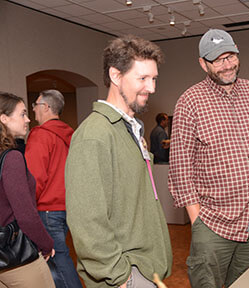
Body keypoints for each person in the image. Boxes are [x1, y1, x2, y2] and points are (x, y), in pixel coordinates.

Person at [168, 29, 249, 288]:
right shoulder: (190, 101)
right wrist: (197, 221)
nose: (227, 65)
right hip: (212, 223)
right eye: (218, 60)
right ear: (203, 63)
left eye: (231, 56)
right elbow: (180, 167)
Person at [65, 35, 172, 288]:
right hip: (124, 276)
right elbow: (87, 220)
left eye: (154, 78)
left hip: (145, 268)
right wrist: (120, 275)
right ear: (115, 76)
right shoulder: (94, 135)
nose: (152, 87)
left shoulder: (129, 129)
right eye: (143, 78)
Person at [25, 89, 81, 288]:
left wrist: (27, 210)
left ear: (46, 107)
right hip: (67, 207)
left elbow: (34, 178)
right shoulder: (72, 134)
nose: (33, 111)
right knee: (56, 263)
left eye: (35, 106)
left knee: (58, 261)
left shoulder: (40, 135)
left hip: (47, 209)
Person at [0, 92, 55, 288]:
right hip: (15, 258)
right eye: (22, 114)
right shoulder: (12, 159)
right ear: (4, 118)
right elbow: (26, 214)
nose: (28, 119)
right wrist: (46, 244)